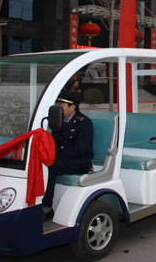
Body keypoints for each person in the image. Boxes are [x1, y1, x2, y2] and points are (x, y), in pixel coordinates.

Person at [42, 90, 94, 220]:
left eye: (62, 106)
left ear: (73, 107)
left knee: (50, 168)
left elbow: (81, 149)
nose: (59, 108)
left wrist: (56, 157)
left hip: (79, 162)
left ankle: (46, 207)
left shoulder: (84, 123)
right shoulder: (58, 121)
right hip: (63, 159)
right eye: (58, 105)